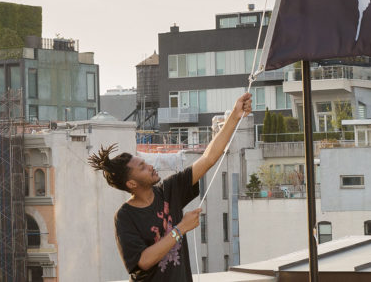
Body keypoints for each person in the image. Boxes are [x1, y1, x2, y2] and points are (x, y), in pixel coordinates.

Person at [88, 93, 252, 281]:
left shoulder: (169, 189)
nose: (150, 166)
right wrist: (180, 228)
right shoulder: (125, 216)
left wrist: (234, 116)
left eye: (146, 162)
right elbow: (143, 261)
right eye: (142, 167)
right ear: (131, 184)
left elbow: (209, 158)